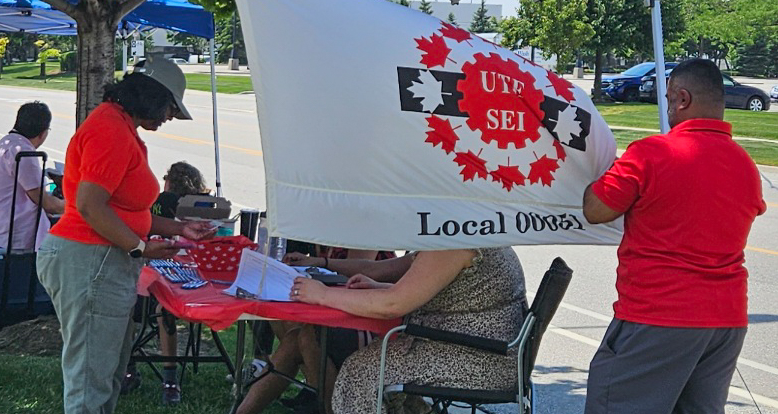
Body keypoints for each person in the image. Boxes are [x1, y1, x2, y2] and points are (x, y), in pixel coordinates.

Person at [582, 58, 766, 414]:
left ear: (682, 99)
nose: (666, 108)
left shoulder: (652, 154)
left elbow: (596, 209)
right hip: (725, 322)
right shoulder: (744, 163)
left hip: (658, 318)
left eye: (667, 99)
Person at [36, 55, 216, 414]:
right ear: (150, 95)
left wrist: (181, 229)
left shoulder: (119, 126)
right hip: (89, 259)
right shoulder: (111, 130)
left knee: (106, 373)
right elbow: (90, 206)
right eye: (168, 107)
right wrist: (139, 248)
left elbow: (126, 211)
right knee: (90, 382)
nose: (169, 117)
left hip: (97, 258)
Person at [290, 248, 526, 414]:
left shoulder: (455, 243)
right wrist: (382, 287)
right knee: (374, 364)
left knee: (362, 371)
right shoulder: (470, 232)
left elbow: (392, 305)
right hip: (484, 353)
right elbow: (385, 272)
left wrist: (322, 295)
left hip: (478, 358)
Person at [235, 248, 392, 414]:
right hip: (382, 320)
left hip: (399, 335)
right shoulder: (418, 255)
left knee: (308, 336)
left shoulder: (421, 254)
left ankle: (328, 403)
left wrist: (324, 293)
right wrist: (320, 262)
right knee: (298, 336)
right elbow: (379, 272)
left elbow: (396, 301)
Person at [151, 161, 211, 406]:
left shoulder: (164, 200)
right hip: (189, 273)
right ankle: (169, 378)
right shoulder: (205, 207)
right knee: (162, 306)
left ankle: (161, 376)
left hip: (168, 269)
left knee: (161, 307)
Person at [0, 101, 64, 251]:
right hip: (10, 237)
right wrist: (77, 206)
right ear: (43, 133)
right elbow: (48, 204)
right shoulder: (23, 153)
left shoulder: (2, 146)